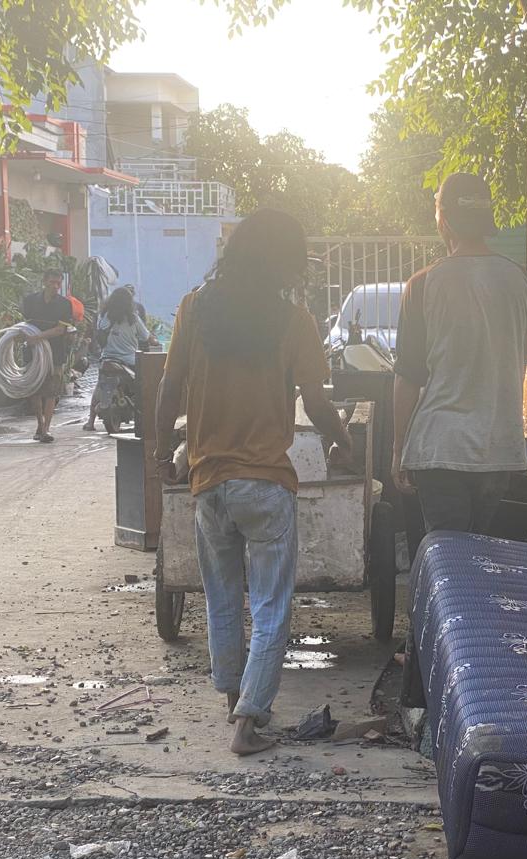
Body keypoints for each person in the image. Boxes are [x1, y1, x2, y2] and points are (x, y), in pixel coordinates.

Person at [154, 209, 354, 756]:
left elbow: (168, 387)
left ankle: (232, 700)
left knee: (221, 598)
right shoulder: (295, 322)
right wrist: (344, 438)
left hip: (208, 483)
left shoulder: (194, 310)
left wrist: (159, 450)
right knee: (270, 605)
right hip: (265, 483)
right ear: (286, 261)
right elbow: (316, 401)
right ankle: (249, 720)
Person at [392, 172, 527, 535]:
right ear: (488, 220)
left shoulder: (423, 285)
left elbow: (407, 377)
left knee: (448, 558)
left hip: (438, 447)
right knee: (479, 555)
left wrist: (399, 448)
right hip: (496, 450)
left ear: (443, 218)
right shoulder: (521, 280)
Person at [85, 286, 156, 432]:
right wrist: (154, 341)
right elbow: (146, 337)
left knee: (99, 387)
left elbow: (98, 334)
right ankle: (145, 417)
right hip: (130, 361)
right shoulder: (133, 319)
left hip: (107, 359)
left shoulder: (104, 316)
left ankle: (90, 421)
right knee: (144, 387)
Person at [20, 267, 74, 442]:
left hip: (55, 353)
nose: (55, 286)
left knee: (51, 391)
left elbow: (60, 329)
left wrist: (39, 337)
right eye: (52, 282)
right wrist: (28, 338)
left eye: (58, 283)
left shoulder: (65, 304)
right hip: (33, 353)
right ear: (44, 282)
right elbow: (22, 324)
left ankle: (46, 428)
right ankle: (40, 424)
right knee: (35, 390)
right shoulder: (30, 301)